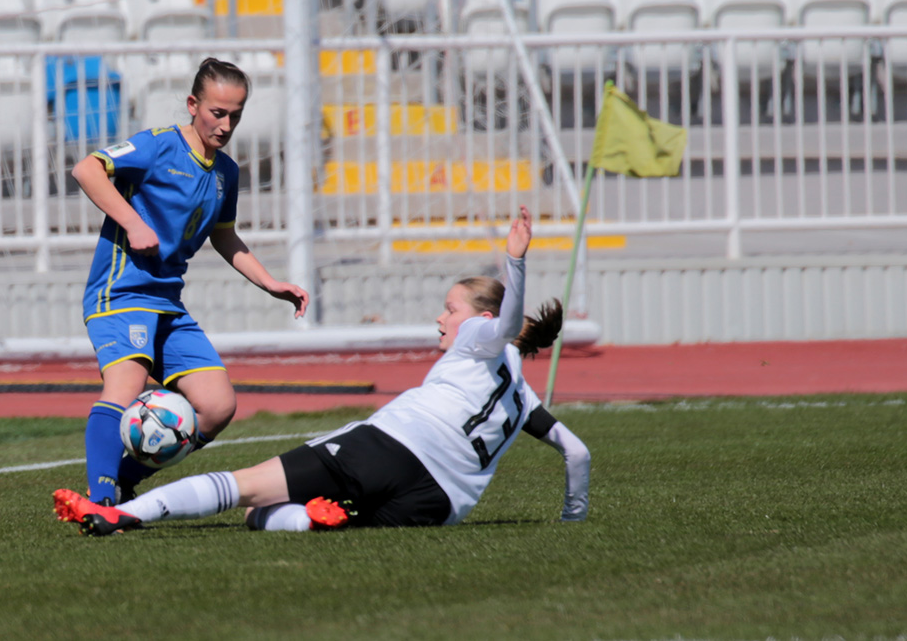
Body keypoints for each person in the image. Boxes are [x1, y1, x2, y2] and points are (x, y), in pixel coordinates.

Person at [53, 206, 590, 534]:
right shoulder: (523, 397)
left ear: (482, 320)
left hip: (392, 448)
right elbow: (577, 452)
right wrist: (573, 517)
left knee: (245, 488)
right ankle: (311, 518)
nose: (441, 318)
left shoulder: (480, 339)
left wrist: (515, 261)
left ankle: (124, 514)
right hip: (439, 504)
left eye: (450, 309)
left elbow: (506, 323)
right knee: (265, 518)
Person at [71, 57, 309, 507]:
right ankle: (99, 503)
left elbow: (225, 236)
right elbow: (87, 169)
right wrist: (132, 222)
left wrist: (270, 283)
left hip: (167, 303)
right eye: (217, 113)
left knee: (217, 406)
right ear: (193, 104)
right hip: (122, 294)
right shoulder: (158, 145)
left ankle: (122, 482)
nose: (225, 125)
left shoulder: (225, 173)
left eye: (235, 115)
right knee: (125, 388)